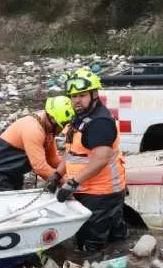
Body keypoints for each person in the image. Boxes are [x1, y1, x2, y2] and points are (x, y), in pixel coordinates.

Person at [52, 68, 127, 253]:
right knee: (112, 237)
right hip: (89, 190)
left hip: (101, 193)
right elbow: (73, 154)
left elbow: (100, 160)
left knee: (90, 245)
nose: (76, 100)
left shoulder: (99, 123)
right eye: (73, 96)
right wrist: (57, 174)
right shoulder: (80, 118)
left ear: (94, 95)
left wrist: (72, 183)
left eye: (82, 95)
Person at [0, 96, 75, 192]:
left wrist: (73, 174)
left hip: (14, 172)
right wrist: (66, 183)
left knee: (17, 203)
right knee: (10, 204)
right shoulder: (33, 129)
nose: (62, 131)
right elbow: (40, 167)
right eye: (62, 126)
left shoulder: (48, 126)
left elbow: (52, 159)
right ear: (53, 119)